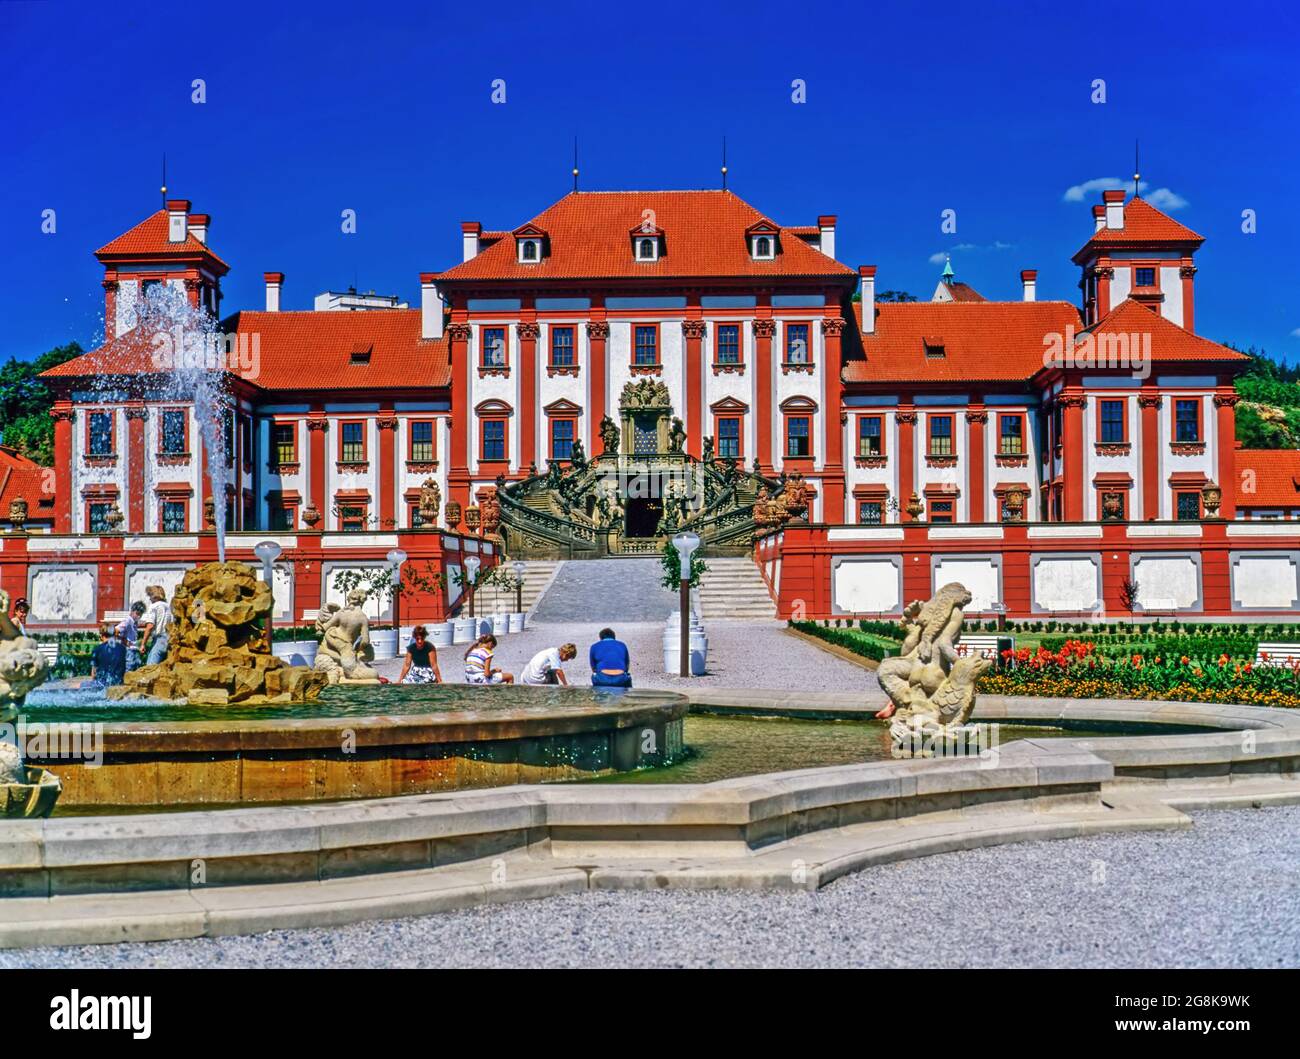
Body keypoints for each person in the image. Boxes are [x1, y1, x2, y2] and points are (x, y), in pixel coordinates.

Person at [140, 585, 172, 666]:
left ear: (154, 596)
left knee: (150, 668)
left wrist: (143, 644)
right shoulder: (169, 607)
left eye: (150, 595)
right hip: (169, 639)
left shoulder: (154, 606)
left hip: (159, 639)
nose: (149, 599)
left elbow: (150, 626)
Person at [88, 623, 127, 689]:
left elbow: (93, 674)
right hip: (118, 684)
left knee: (81, 685)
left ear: (102, 635)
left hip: (102, 685)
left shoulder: (97, 649)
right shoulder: (123, 648)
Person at [117, 602, 145, 672]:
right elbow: (116, 630)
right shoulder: (128, 620)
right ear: (132, 611)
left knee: (137, 667)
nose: (139, 616)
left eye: (140, 615)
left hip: (134, 649)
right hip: (129, 650)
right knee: (129, 668)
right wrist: (123, 640)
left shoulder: (134, 622)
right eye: (137, 614)